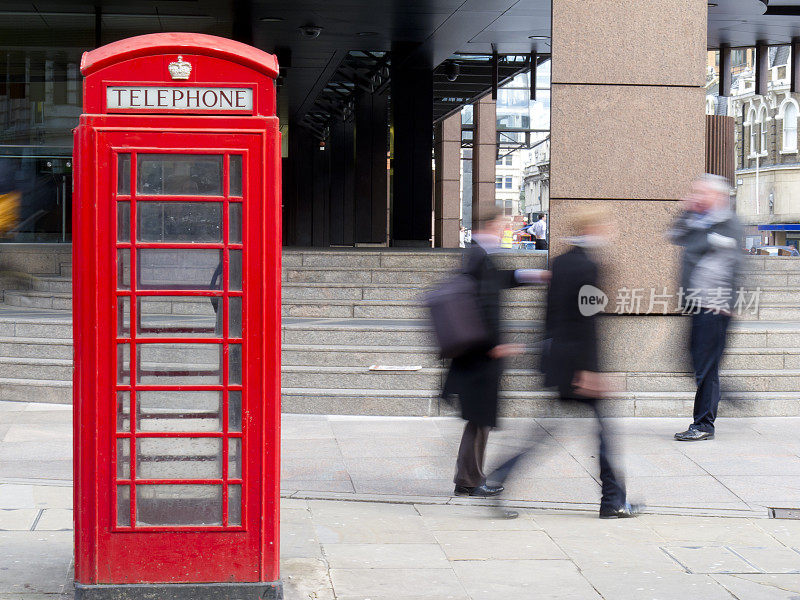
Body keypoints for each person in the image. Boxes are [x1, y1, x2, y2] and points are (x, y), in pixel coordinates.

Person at [442, 205, 548, 497]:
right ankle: (469, 480)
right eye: (502, 224)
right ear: (489, 226)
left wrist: (530, 275)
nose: (507, 229)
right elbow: (477, 306)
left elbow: (497, 281)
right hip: (480, 356)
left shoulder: (480, 257)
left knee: (480, 420)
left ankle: (469, 478)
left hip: (479, 356)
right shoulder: (477, 257)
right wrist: (495, 346)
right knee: (479, 419)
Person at [669, 174, 743, 442]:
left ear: (717, 195)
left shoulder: (729, 222)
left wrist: (731, 302)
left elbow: (738, 265)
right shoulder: (699, 219)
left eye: (701, 193)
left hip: (717, 305)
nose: (696, 196)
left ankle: (703, 425)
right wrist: (689, 210)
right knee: (691, 362)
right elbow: (673, 235)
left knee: (706, 368)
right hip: (698, 303)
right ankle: (728, 394)